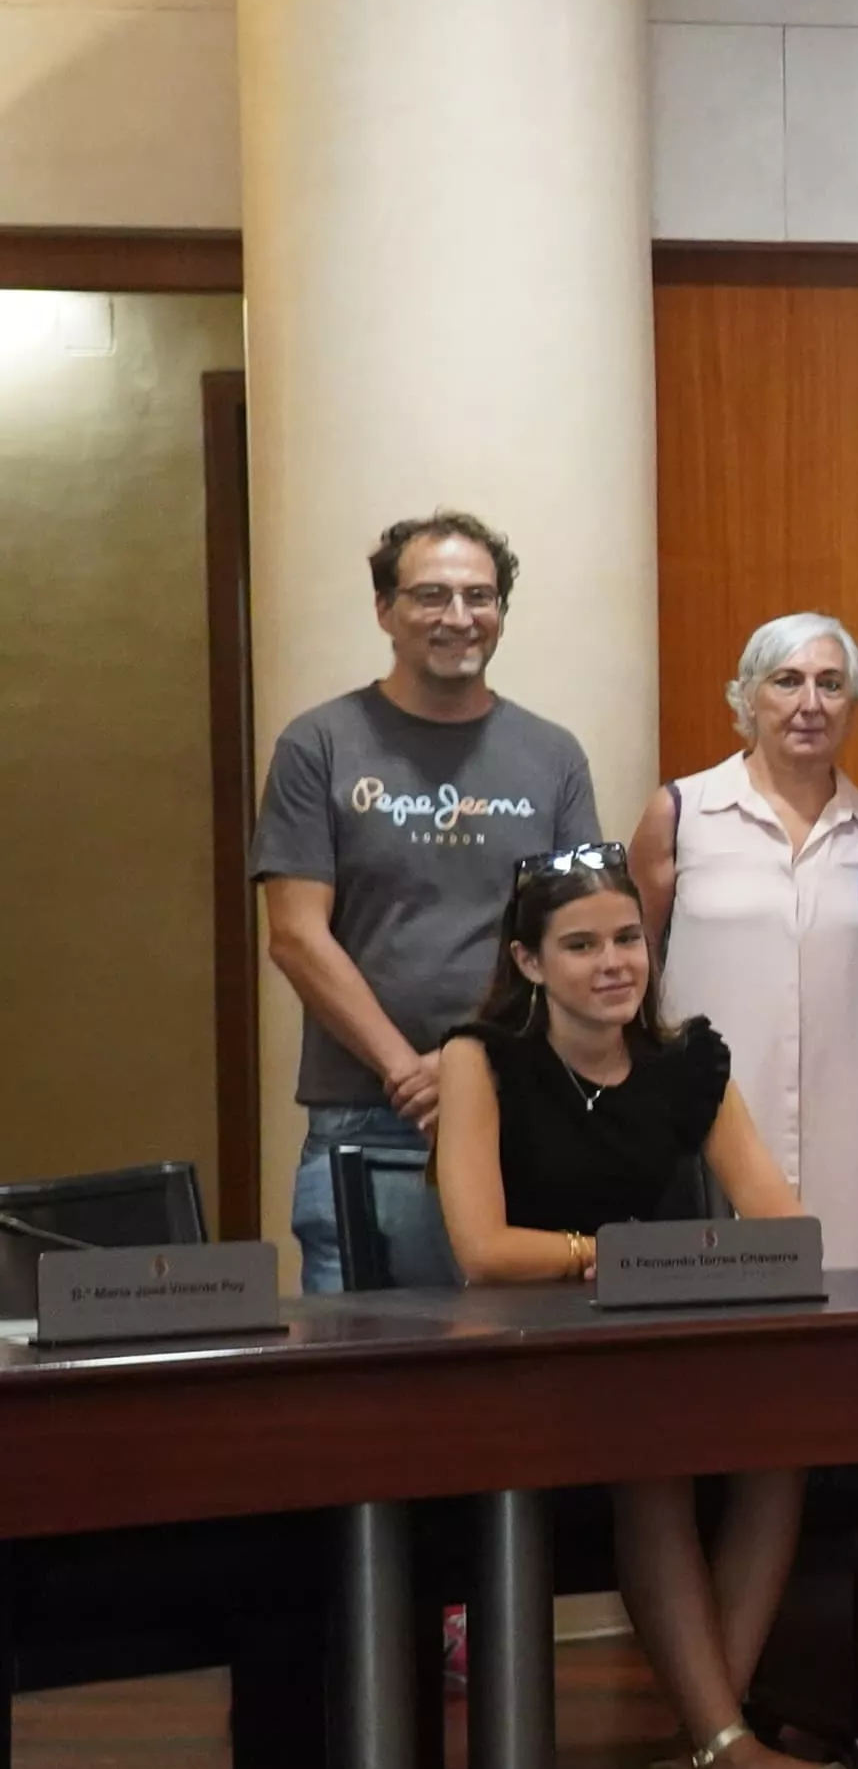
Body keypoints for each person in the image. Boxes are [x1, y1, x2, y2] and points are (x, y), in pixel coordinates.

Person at [427, 846, 858, 1769]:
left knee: (778, 1448)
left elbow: (780, 1223)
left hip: (660, 1346)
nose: (612, 962)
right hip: (530, 1358)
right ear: (529, 961)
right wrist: (614, 1255)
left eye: (627, 938)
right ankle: (737, 1750)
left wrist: (654, 1266)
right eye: (580, 944)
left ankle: (698, 1753)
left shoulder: (689, 1060)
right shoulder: (481, 1057)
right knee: (658, 1453)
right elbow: (484, 1252)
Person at [254, 511, 605, 1291]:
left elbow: (585, 933)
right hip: (371, 1115)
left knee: (523, 1377)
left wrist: (478, 1070)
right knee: (366, 1380)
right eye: (431, 595)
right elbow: (296, 935)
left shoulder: (552, 755)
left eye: (479, 596)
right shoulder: (320, 744)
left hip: (524, 1109)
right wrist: (411, 1072)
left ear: (502, 613)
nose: (458, 617)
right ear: (385, 609)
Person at [634, 612, 858, 1264]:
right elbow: (632, 961)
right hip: (708, 1121)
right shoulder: (682, 810)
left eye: (831, 684)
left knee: (843, 1308)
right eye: (787, 680)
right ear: (748, 696)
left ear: (854, 703)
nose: (810, 703)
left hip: (848, 1122)